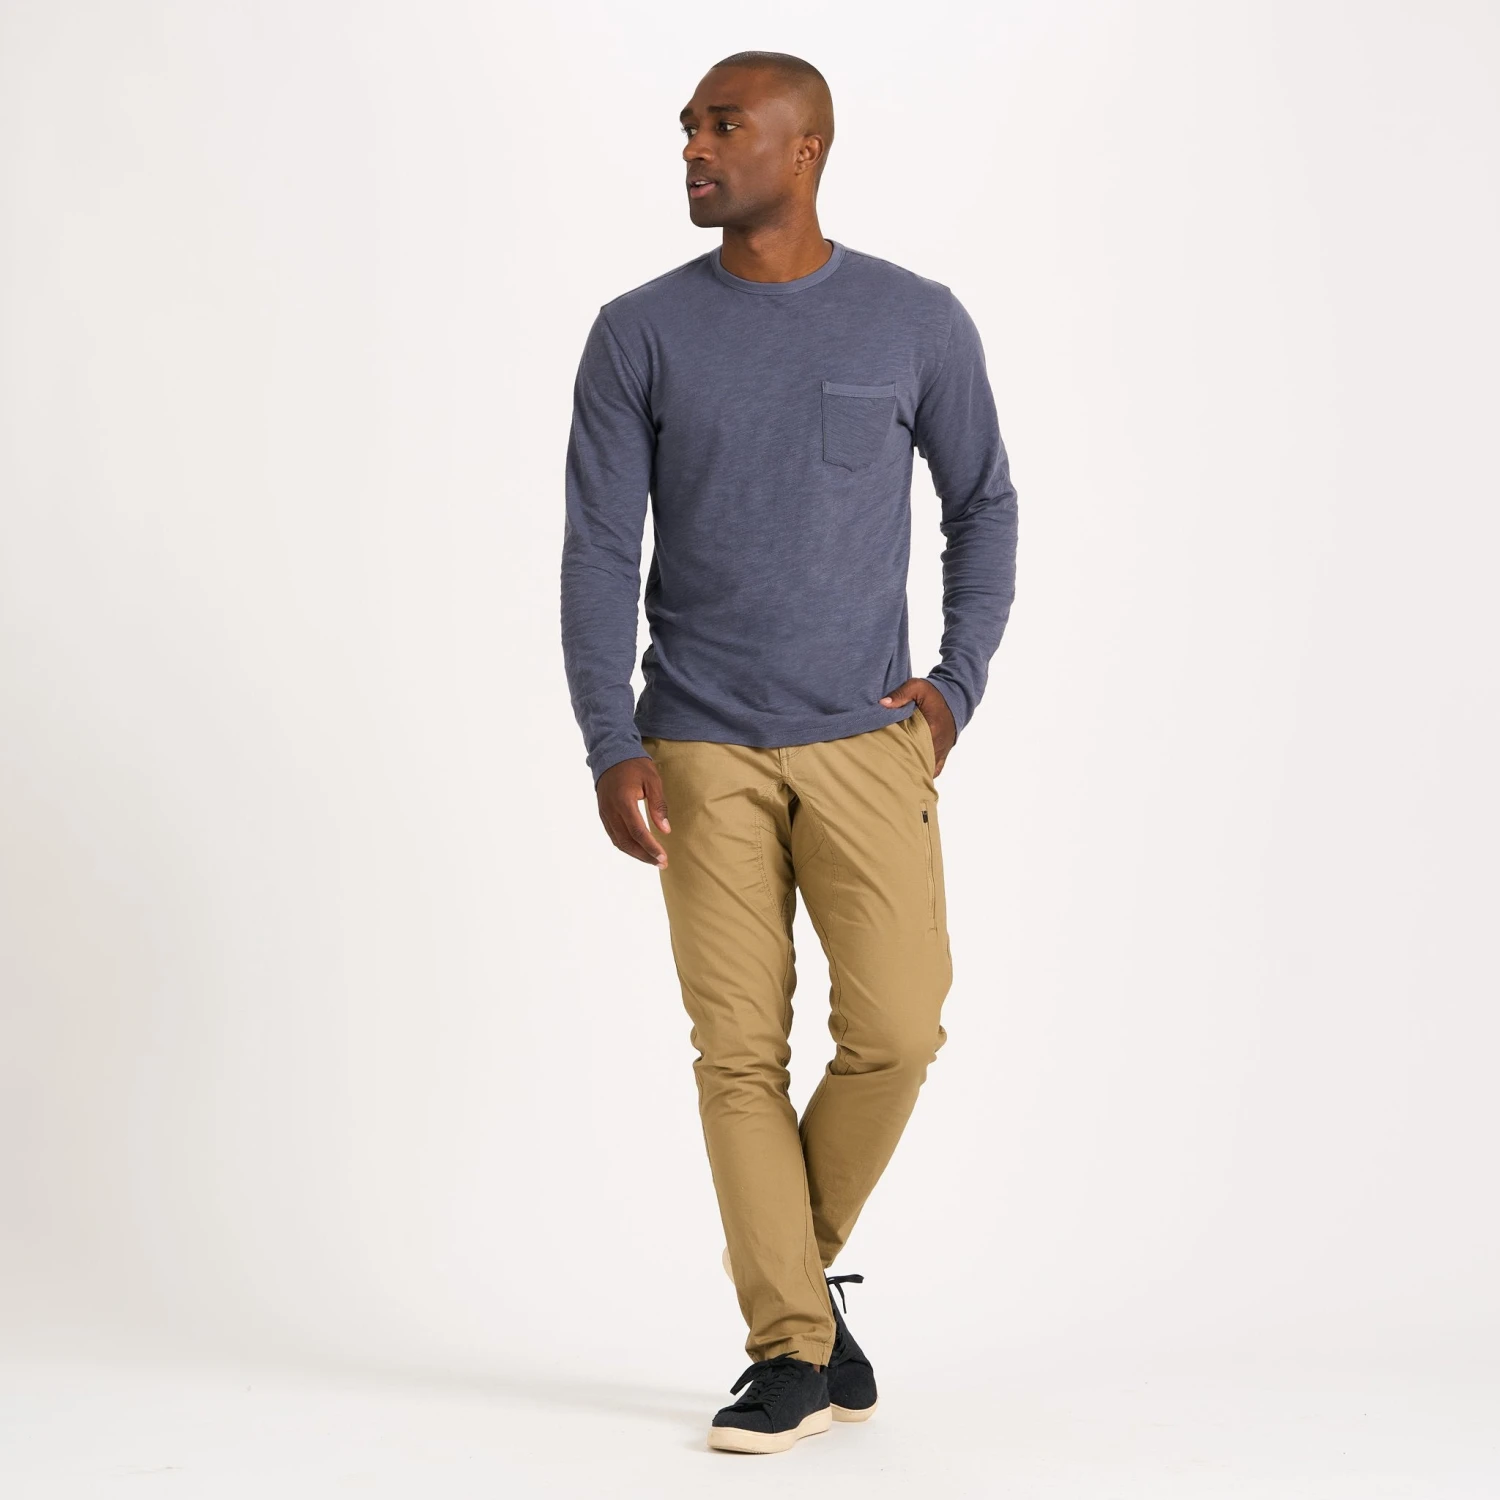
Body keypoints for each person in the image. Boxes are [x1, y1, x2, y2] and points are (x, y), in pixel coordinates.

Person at [560, 50, 1019, 1454]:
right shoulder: (638, 332)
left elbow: (985, 504)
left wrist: (952, 691)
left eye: (723, 125)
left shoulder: (914, 319)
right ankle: (789, 1351)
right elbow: (598, 549)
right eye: (689, 127)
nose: (694, 148)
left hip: (870, 741)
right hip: (696, 744)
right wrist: (609, 738)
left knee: (900, 1027)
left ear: (804, 147)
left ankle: (797, 1292)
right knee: (738, 1052)